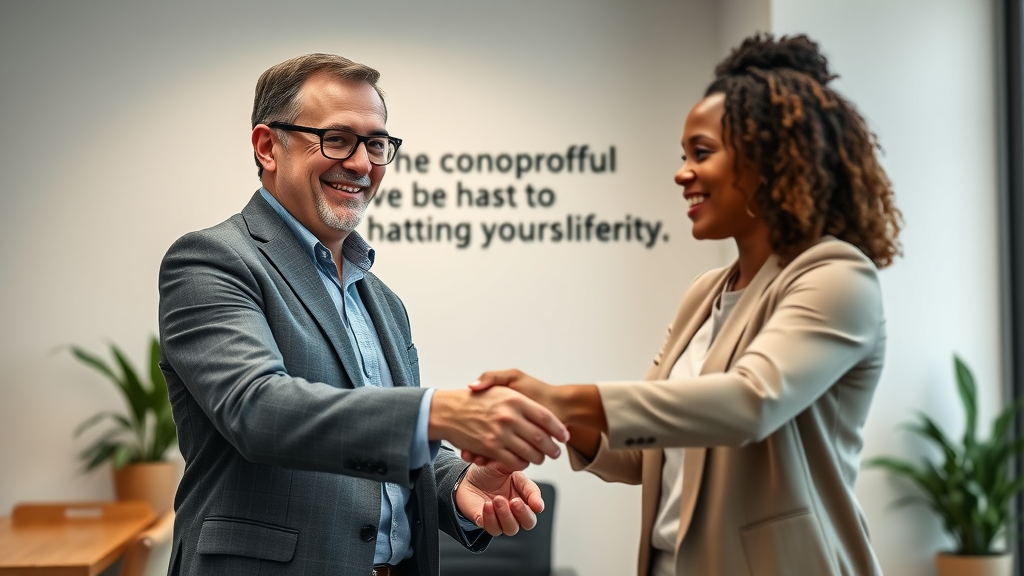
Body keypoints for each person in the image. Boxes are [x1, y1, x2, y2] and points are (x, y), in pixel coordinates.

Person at [470, 33, 902, 576]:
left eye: (702, 153)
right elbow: (644, 448)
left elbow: (748, 405)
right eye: (683, 156)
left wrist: (563, 398)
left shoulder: (836, 274)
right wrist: (547, 418)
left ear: (767, 160)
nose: (682, 173)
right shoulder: (706, 293)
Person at [157, 53, 569, 576]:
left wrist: (459, 484)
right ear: (267, 147)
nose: (361, 163)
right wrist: (440, 412)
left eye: (376, 143)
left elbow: (378, 446)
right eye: (336, 139)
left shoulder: (383, 300)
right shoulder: (213, 261)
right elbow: (258, 410)